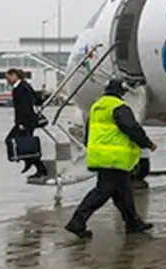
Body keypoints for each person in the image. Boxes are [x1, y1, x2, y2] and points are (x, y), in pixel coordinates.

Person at [64, 78, 155, 239]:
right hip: (115, 157)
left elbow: (89, 132)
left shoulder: (97, 107)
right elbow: (131, 128)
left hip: (100, 155)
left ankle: (133, 223)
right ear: (121, 92)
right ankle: (77, 222)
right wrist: (146, 143)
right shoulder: (119, 107)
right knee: (102, 192)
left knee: (123, 192)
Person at [4, 68, 46, 180]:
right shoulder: (24, 86)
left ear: (14, 75)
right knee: (25, 144)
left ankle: (38, 166)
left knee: (12, 140)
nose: (7, 80)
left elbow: (24, 107)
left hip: (25, 121)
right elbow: (37, 99)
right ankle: (32, 163)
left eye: (8, 77)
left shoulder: (21, 88)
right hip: (27, 121)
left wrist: (22, 124)